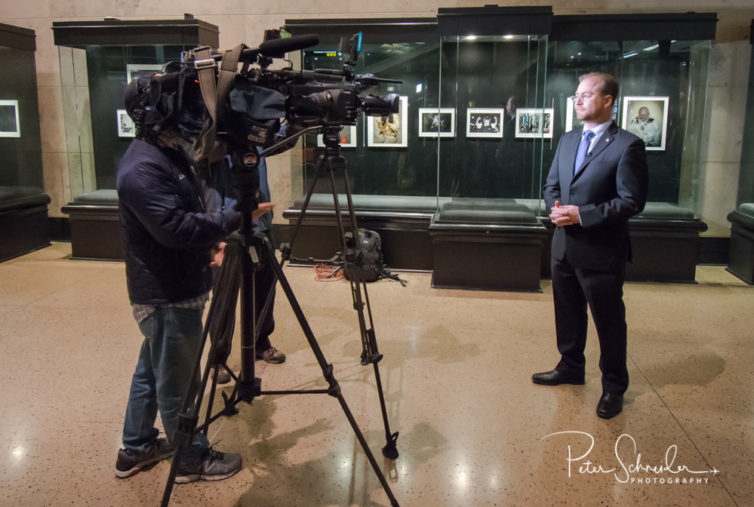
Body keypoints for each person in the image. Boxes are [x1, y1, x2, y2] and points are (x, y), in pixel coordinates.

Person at [114, 74, 243, 481]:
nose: (191, 112)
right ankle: (190, 461)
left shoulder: (165, 153)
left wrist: (212, 236)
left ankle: (134, 448)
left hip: (175, 284)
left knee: (152, 371)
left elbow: (190, 211)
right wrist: (235, 220)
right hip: (167, 294)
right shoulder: (142, 167)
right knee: (179, 382)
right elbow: (176, 228)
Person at [533, 72, 648, 419]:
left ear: (608, 100)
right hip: (563, 245)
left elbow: (632, 201)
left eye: (585, 94)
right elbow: (551, 184)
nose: (577, 100)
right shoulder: (568, 140)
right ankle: (570, 366)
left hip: (601, 251)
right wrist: (555, 208)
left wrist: (581, 214)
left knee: (609, 321)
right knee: (567, 313)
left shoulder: (627, 145)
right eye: (576, 95)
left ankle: (614, 386)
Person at [204, 150, 286, 385]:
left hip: (260, 226)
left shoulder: (254, 138)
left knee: (264, 289)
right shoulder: (213, 140)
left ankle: (260, 342)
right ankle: (218, 359)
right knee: (224, 299)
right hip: (225, 229)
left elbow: (280, 138)